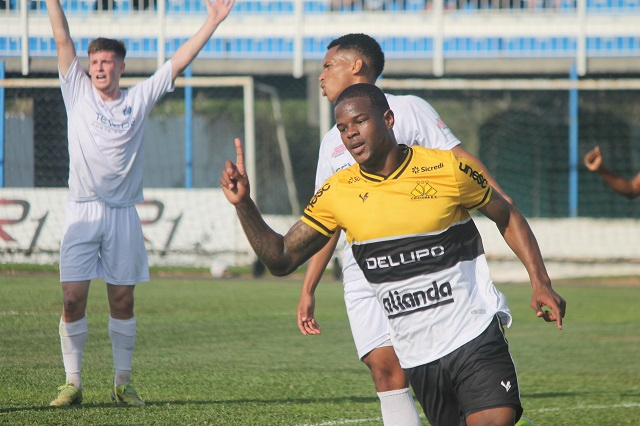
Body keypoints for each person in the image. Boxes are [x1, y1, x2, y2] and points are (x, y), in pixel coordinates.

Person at [221, 83, 566, 426]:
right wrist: (245, 205)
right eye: (342, 128)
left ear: (388, 118)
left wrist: (540, 281)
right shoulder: (337, 193)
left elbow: (506, 213)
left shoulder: (447, 169)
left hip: (473, 332)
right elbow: (281, 257)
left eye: (359, 122)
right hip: (417, 354)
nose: (351, 134)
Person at [297, 33, 513, 425]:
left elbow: (459, 162)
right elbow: (323, 224)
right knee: (384, 367)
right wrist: (308, 287)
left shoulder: (408, 109)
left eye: (328, 65)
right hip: (365, 269)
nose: (321, 75)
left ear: (356, 66)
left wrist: (505, 209)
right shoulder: (333, 142)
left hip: (427, 261)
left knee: (427, 361)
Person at [45, 0, 235, 407]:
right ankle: (72, 383)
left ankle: (122, 383)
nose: (98, 67)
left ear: (121, 67)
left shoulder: (138, 99)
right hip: (82, 209)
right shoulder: (76, 91)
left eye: (107, 61)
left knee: (123, 300)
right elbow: (62, 38)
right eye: (94, 60)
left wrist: (213, 20)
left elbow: (178, 62)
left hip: (122, 215)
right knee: (72, 299)